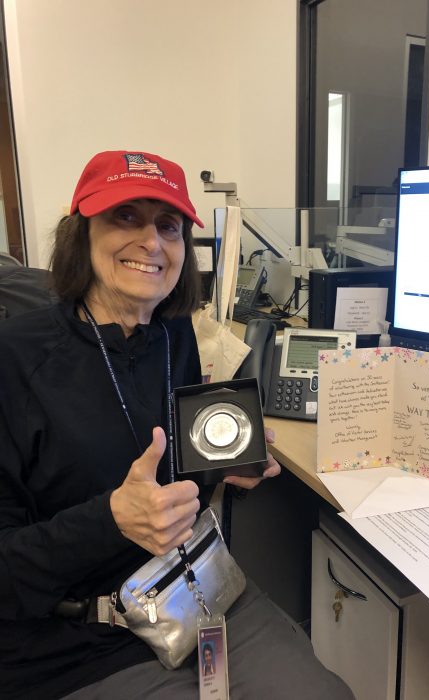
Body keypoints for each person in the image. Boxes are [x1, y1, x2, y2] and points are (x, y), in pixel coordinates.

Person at [0, 150, 355, 700]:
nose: (152, 242)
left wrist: (223, 467)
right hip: (76, 641)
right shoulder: (15, 361)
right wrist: (110, 520)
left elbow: (169, 477)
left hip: (196, 588)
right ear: (81, 233)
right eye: (125, 217)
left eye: (168, 226)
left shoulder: (173, 335)